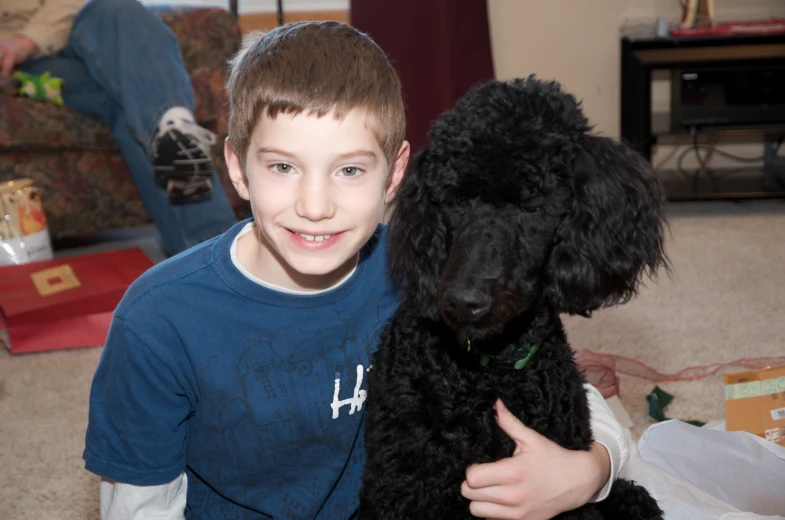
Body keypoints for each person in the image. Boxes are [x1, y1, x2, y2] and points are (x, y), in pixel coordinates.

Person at [83, 21, 630, 520]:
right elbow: (136, 508)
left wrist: (590, 470)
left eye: (348, 169)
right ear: (236, 167)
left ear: (395, 175)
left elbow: (569, 396)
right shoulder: (158, 320)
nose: (315, 204)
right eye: (282, 167)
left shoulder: (429, 273)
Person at [0, 0, 237, 254]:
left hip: (80, 26)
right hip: (29, 64)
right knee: (132, 106)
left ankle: (173, 125)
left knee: (117, 6)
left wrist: (27, 40)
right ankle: (215, 255)